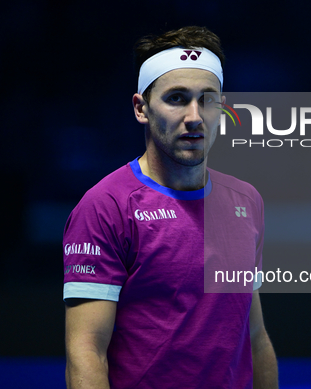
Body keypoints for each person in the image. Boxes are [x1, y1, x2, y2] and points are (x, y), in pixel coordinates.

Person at [63, 26, 278, 389]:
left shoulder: (247, 200)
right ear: (141, 108)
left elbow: (254, 335)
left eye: (207, 99)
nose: (194, 116)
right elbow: (86, 351)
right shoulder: (105, 206)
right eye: (177, 98)